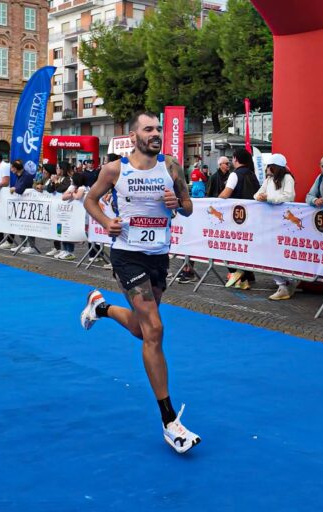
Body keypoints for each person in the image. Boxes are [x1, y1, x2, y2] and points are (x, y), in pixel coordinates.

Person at [80, 111, 201, 455]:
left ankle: (100, 308)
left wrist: (180, 204)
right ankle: (169, 422)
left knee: (141, 330)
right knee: (155, 330)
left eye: (158, 129)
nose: (156, 134)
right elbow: (90, 199)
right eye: (148, 129)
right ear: (133, 136)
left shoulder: (172, 166)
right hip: (127, 255)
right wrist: (106, 222)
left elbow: (189, 205)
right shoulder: (116, 169)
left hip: (158, 257)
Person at [254, 154, 298, 300]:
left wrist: (269, 198)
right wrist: (259, 197)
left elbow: (288, 197)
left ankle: (287, 283)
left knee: (282, 252)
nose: (267, 169)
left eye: (270, 166)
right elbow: (257, 193)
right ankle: (283, 283)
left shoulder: (288, 179)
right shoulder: (269, 180)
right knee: (269, 253)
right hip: (270, 222)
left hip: (284, 223)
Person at [219, 148, 261, 289]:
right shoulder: (253, 175)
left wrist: (213, 202)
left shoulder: (234, 175)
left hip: (236, 217)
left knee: (229, 246)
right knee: (246, 247)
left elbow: (225, 194)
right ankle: (245, 278)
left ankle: (236, 273)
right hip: (251, 217)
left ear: (236, 159)